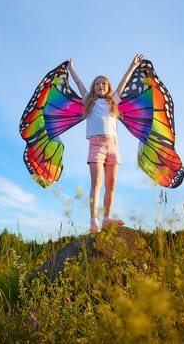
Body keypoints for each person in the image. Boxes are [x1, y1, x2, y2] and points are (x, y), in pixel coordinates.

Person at [68, 54, 145, 233]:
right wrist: (72, 70)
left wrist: (132, 65)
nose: (100, 86)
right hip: (96, 145)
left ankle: (106, 218)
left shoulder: (113, 102)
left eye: (104, 83)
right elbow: (79, 85)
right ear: (93, 89)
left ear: (108, 87)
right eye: (97, 84)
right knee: (97, 183)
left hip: (113, 146)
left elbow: (124, 82)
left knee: (112, 184)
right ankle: (93, 220)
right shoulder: (89, 101)